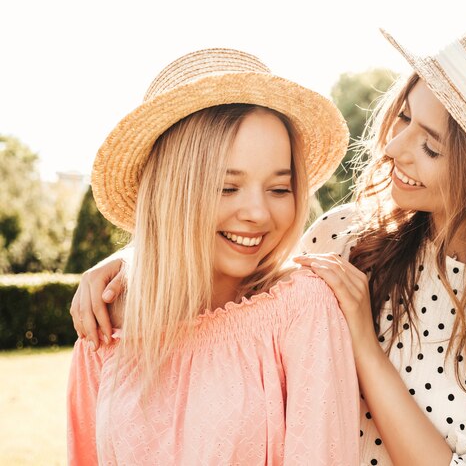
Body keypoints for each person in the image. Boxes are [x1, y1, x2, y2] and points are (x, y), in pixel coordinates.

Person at [70, 14, 466, 466]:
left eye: (431, 147)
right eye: (405, 118)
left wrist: (366, 349)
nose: (393, 146)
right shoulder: (348, 237)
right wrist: (132, 258)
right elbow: (239, 258)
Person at [66, 48, 359, 465]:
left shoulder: (303, 307)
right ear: (172, 191)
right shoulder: (103, 327)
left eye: (279, 189)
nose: (258, 213)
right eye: (227, 187)